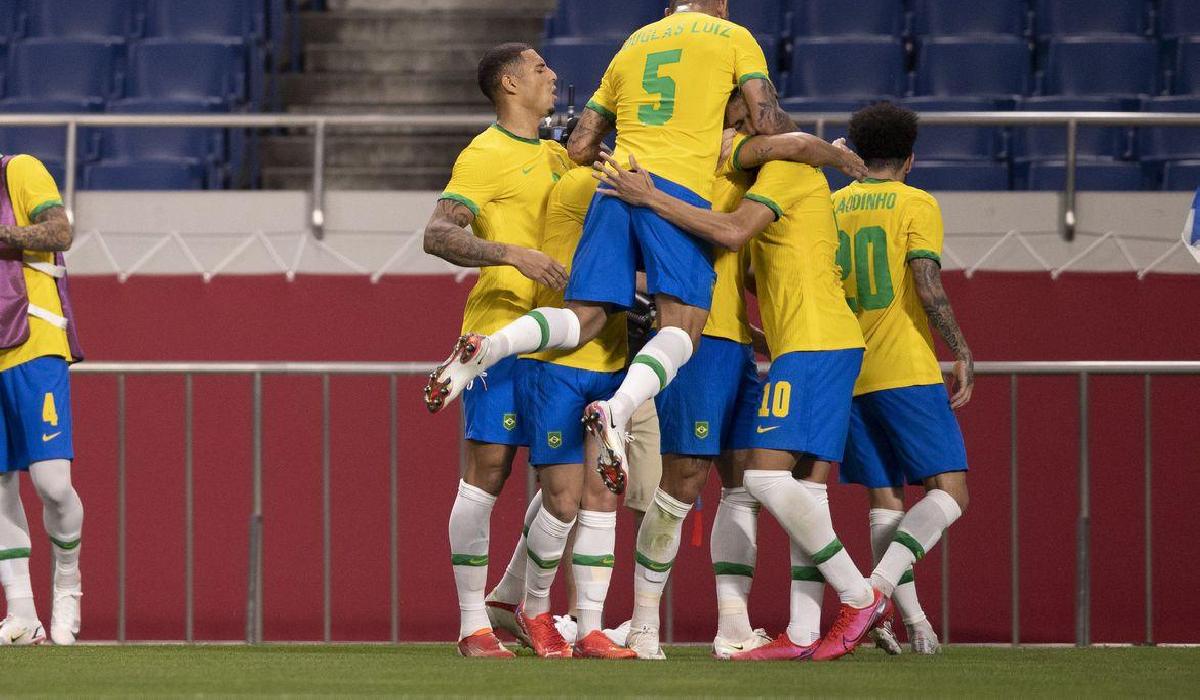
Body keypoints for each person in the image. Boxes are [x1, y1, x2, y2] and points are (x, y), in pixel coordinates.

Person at [423, 0, 796, 495]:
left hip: (613, 185)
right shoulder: (732, 36)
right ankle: (616, 411)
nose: (552, 75)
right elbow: (769, 123)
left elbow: (579, 148)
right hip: (669, 191)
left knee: (587, 318)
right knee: (683, 328)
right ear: (721, 5)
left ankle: (490, 348)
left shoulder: (632, 44)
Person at [594, 128, 887, 662]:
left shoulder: (751, 175)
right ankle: (642, 624)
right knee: (683, 484)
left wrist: (831, 155)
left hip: (754, 347)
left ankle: (735, 627)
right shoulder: (672, 166)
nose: (740, 133)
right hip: (705, 342)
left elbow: (748, 230)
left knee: (746, 483)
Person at [421, 42, 572, 658]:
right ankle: (470, 626)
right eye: (540, 69)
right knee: (488, 475)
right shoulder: (484, 153)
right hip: (501, 330)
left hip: (567, 336)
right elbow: (437, 232)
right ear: (510, 83)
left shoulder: (562, 155)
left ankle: (530, 608)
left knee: (564, 485)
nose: (553, 75)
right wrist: (512, 253)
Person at [477, 165, 636, 660]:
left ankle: (589, 626)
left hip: (610, 359)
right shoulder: (586, 183)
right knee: (563, 501)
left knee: (604, 498)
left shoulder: (631, 185)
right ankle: (536, 608)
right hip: (556, 365)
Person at [832, 102, 973, 656]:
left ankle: (917, 628)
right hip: (903, 365)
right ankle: (876, 591)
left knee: (885, 498)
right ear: (910, 159)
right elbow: (925, 279)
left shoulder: (833, 203)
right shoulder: (916, 202)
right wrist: (959, 348)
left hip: (847, 365)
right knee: (951, 492)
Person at [0, 153, 85, 646]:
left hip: (34, 341)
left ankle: (68, 581)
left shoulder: (19, 170)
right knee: (1, 484)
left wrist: (7, 235)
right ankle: (22, 614)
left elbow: (60, 232)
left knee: (52, 484)